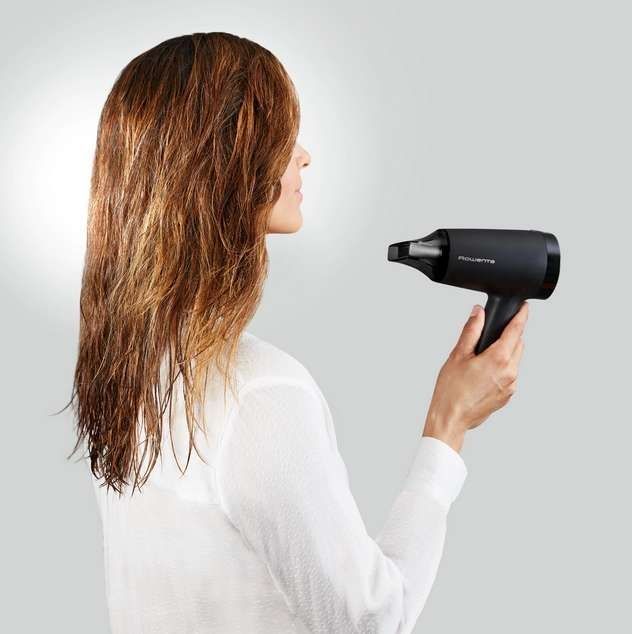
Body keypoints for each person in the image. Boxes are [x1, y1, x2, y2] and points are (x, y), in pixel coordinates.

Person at [67, 31, 528, 633]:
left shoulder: (131, 366)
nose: (304, 156)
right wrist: (449, 425)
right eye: (282, 138)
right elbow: (370, 621)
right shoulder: (260, 395)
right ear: (225, 166)